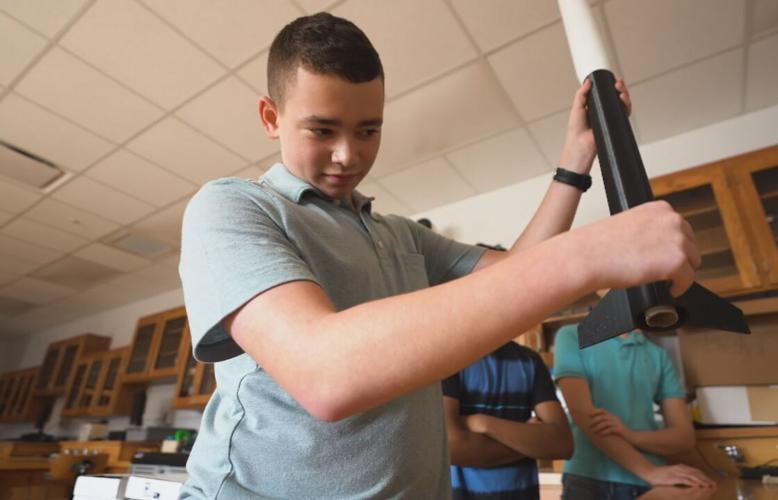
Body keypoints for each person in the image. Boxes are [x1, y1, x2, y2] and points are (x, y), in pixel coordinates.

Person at [178, 12, 699, 499]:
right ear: (271, 117)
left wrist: (575, 158)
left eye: (368, 130)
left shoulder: (399, 235)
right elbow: (324, 374)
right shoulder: (231, 208)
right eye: (322, 129)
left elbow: (518, 274)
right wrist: (589, 254)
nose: (349, 155)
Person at [554, 319, 715, 499]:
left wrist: (630, 435)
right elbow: (583, 413)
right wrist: (648, 471)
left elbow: (684, 438)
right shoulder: (572, 335)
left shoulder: (658, 355)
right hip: (589, 479)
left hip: (649, 484)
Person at [442, 340, 573, 499]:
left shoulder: (530, 360)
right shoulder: (448, 360)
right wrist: (528, 444)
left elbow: (562, 444)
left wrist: (483, 423)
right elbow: (452, 448)